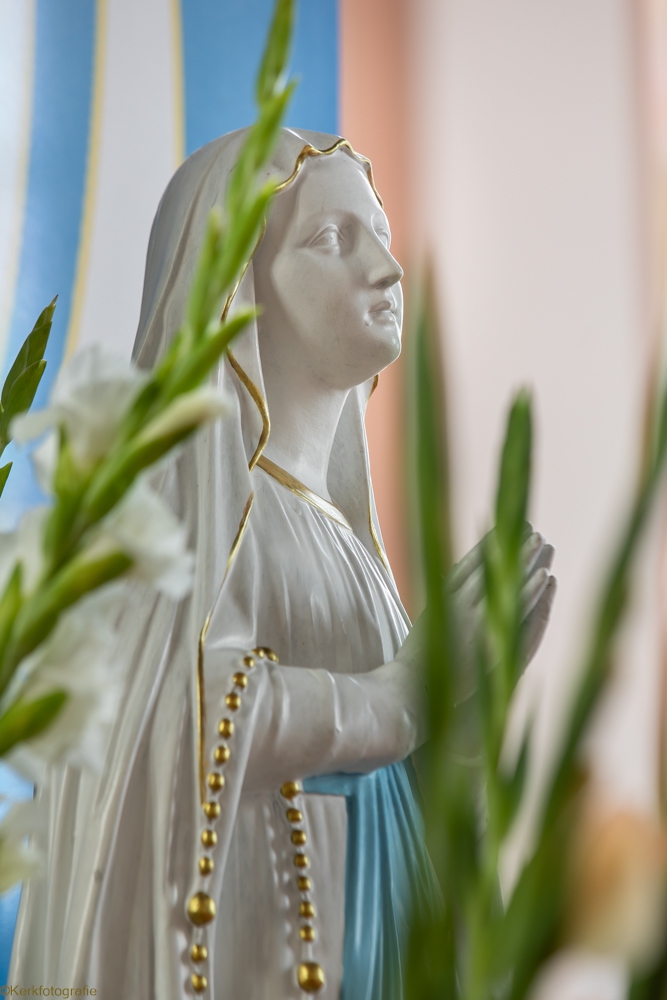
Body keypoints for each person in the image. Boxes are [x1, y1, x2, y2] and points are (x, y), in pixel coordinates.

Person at [10, 128, 554, 999]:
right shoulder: (189, 521)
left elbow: (396, 795)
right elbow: (181, 716)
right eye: (332, 238)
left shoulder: (346, 544)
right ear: (234, 287)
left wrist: (460, 716)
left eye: (381, 236)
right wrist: (399, 696)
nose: (386, 270)